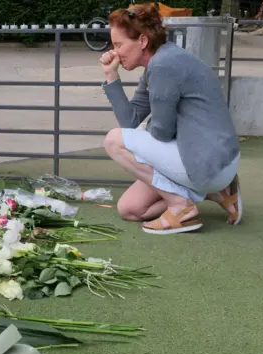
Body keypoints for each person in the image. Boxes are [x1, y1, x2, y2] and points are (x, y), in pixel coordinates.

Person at [100, 4, 242, 235]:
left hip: (209, 160)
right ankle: (217, 192)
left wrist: (143, 131)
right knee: (131, 209)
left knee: (114, 140)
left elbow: (162, 133)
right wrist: (111, 75)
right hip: (208, 158)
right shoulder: (157, 63)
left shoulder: (164, 65)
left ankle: (180, 206)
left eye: (118, 44)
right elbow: (131, 121)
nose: (114, 52)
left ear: (143, 41)